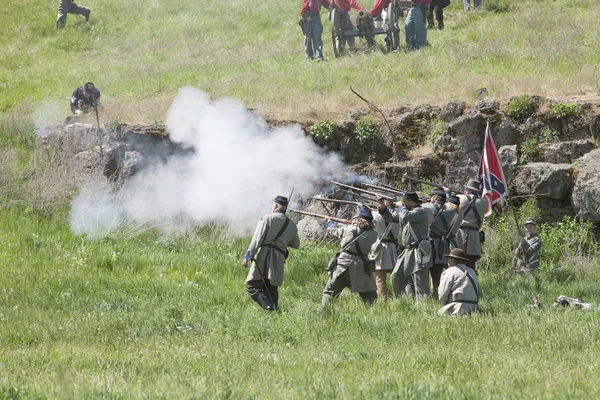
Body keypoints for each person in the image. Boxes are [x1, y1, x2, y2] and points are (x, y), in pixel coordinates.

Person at [242, 196, 300, 312]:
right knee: (272, 287)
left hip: (264, 255)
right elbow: (295, 244)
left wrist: (247, 257)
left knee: (252, 285)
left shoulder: (267, 218)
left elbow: (256, 240)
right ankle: (274, 312)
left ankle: (269, 307)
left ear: (275, 206)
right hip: (279, 257)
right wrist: (281, 242)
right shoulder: (292, 225)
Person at [322, 206, 379, 307]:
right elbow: (363, 230)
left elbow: (332, 231)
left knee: (329, 292)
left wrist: (329, 222)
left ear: (359, 219)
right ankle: (372, 311)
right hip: (361, 267)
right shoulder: (373, 235)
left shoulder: (348, 230)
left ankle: (325, 312)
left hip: (342, 266)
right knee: (369, 295)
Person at [378, 192, 432, 298]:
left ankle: (423, 305)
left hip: (418, 249)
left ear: (411, 202)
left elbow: (405, 215)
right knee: (396, 276)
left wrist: (400, 206)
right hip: (406, 250)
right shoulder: (406, 212)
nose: (403, 203)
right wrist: (383, 204)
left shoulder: (420, 211)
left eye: (405, 202)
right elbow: (390, 217)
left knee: (419, 280)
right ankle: (400, 300)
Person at [422, 188, 462, 294]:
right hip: (441, 244)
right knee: (438, 272)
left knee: (424, 271)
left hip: (427, 243)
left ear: (435, 197)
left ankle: (427, 295)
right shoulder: (451, 212)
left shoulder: (426, 207)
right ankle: (438, 292)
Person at [451, 179, 489, 270]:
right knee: (471, 263)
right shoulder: (484, 202)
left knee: (456, 260)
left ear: (468, 189)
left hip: (460, 233)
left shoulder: (460, 198)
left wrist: (451, 193)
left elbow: (451, 205)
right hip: (474, 235)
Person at [438, 248, 479, 315]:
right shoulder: (472, 271)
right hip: (474, 308)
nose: (447, 261)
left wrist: (444, 305)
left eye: (449, 259)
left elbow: (442, 295)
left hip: (458, 307)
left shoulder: (449, 272)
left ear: (453, 260)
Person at [372, 200, 400, 298]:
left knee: (380, 277)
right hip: (393, 247)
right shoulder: (399, 214)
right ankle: (398, 295)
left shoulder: (375, 214)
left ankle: (382, 298)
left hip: (381, 247)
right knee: (395, 275)